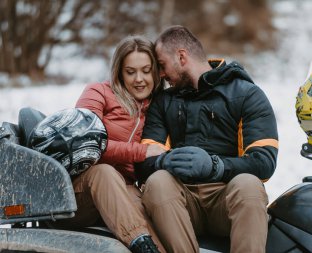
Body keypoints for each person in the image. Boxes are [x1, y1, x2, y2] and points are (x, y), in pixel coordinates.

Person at [137, 25, 279, 253]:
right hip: (179, 201)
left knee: (249, 184)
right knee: (157, 181)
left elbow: (264, 162)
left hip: (226, 200)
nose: (161, 75)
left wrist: (216, 166)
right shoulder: (163, 102)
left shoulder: (247, 94)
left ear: (181, 56)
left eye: (162, 66)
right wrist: (162, 162)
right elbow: (144, 160)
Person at [55, 36, 167, 253]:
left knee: (141, 205)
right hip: (79, 191)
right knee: (104, 173)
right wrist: (142, 152)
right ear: (119, 72)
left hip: (123, 190)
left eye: (146, 70)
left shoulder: (158, 106)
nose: (139, 79)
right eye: (130, 71)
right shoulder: (98, 92)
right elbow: (84, 143)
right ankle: (141, 244)